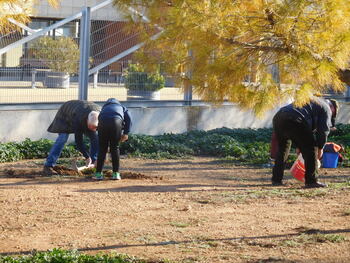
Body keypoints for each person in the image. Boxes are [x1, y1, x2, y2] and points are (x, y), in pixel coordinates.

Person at [271, 97, 339, 188]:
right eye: (333, 114)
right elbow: (323, 131)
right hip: (295, 118)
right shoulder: (326, 107)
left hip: (279, 116)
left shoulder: (313, 102)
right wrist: (320, 147)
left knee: (282, 150)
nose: (331, 116)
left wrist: (300, 146)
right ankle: (312, 181)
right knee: (311, 148)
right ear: (333, 108)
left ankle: (276, 179)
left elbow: (303, 133)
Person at [43, 100, 101, 176]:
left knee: (95, 137)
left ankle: (93, 163)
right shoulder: (78, 119)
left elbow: (102, 139)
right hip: (65, 114)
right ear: (86, 120)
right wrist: (87, 156)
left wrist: (97, 158)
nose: (91, 129)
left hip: (80, 112)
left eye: (94, 128)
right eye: (90, 127)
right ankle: (48, 166)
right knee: (63, 138)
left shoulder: (102, 116)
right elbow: (78, 141)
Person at [94, 98, 132, 180]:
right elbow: (128, 118)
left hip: (103, 123)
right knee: (115, 148)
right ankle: (116, 174)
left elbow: (99, 119)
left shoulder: (104, 108)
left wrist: (103, 138)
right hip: (116, 122)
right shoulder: (122, 107)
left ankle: (98, 174)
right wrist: (126, 133)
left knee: (102, 149)